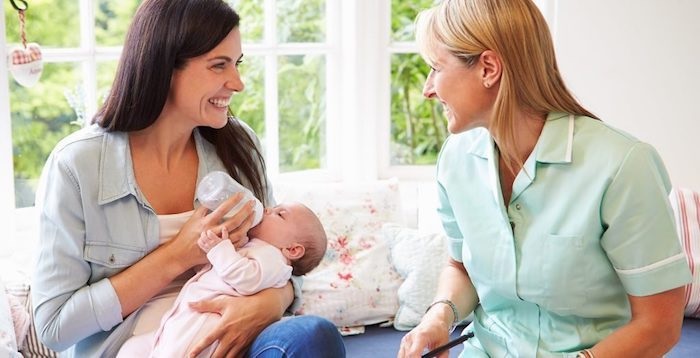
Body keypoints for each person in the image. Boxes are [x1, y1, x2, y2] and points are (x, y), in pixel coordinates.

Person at [30, 0, 345, 357]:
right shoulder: (77, 165)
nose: (238, 83)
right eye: (219, 65)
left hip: (235, 346)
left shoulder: (239, 147)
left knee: (313, 336)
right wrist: (177, 256)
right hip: (141, 349)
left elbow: (281, 258)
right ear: (164, 67)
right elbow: (54, 327)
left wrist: (273, 301)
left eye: (237, 64)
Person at [398, 1, 693, 357]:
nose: (428, 89)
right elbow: (460, 266)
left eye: (435, 68)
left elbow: (659, 324)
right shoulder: (455, 159)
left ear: (488, 68)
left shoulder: (623, 165)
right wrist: (437, 319)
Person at [116, 202, 328, 357]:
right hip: (183, 319)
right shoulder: (253, 248)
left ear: (292, 249)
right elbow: (213, 270)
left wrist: (219, 249)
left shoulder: (274, 259)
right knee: (132, 350)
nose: (267, 209)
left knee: (175, 352)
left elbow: (246, 278)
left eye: (279, 214)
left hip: (207, 324)